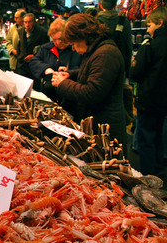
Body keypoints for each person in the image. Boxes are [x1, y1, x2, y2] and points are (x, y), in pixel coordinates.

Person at [51, 13, 127, 151]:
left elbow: (92, 92)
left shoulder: (106, 53)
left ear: (82, 37)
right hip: (97, 122)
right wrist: (70, 74)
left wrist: (63, 84)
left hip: (106, 128)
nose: (73, 48)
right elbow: (89, 72)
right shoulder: (96, 50)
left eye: (73, 43)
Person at [129, 6, 167, 177]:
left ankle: (148, 178)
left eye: (150, 24)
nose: (148, 29)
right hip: (164, 102)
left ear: (160, 23)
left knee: (146, 140)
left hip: (150, 99)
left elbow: (136, 73)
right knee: (159, 137)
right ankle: (160, 174)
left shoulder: (151, 45)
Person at [29, 17, 82, 113]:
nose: (58, 43)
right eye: (54, 40)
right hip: (48, 95)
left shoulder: (76, 49)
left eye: (61, 39)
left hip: (69, 97)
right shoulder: (46, 48)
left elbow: (82, 68)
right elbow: (34, 61)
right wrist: (46, 69)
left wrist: (69, 71)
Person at [97, 0, 133, 78]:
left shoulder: (96, 22)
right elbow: (128, 46)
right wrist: (127, 70)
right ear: (115, 5)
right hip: (120, 64)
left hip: (100, 63)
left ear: (101, 6)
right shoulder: (123, 21)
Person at [16, 13, 50, 83]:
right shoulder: (20, 31)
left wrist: (34, 56)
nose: (27, 25)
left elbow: (46, 50)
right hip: (22, 65)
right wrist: (19, 56)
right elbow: (19, 45)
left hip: (35, 67)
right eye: (25, 22)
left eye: (29, 22)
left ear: (34, 22)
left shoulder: (42, 32)